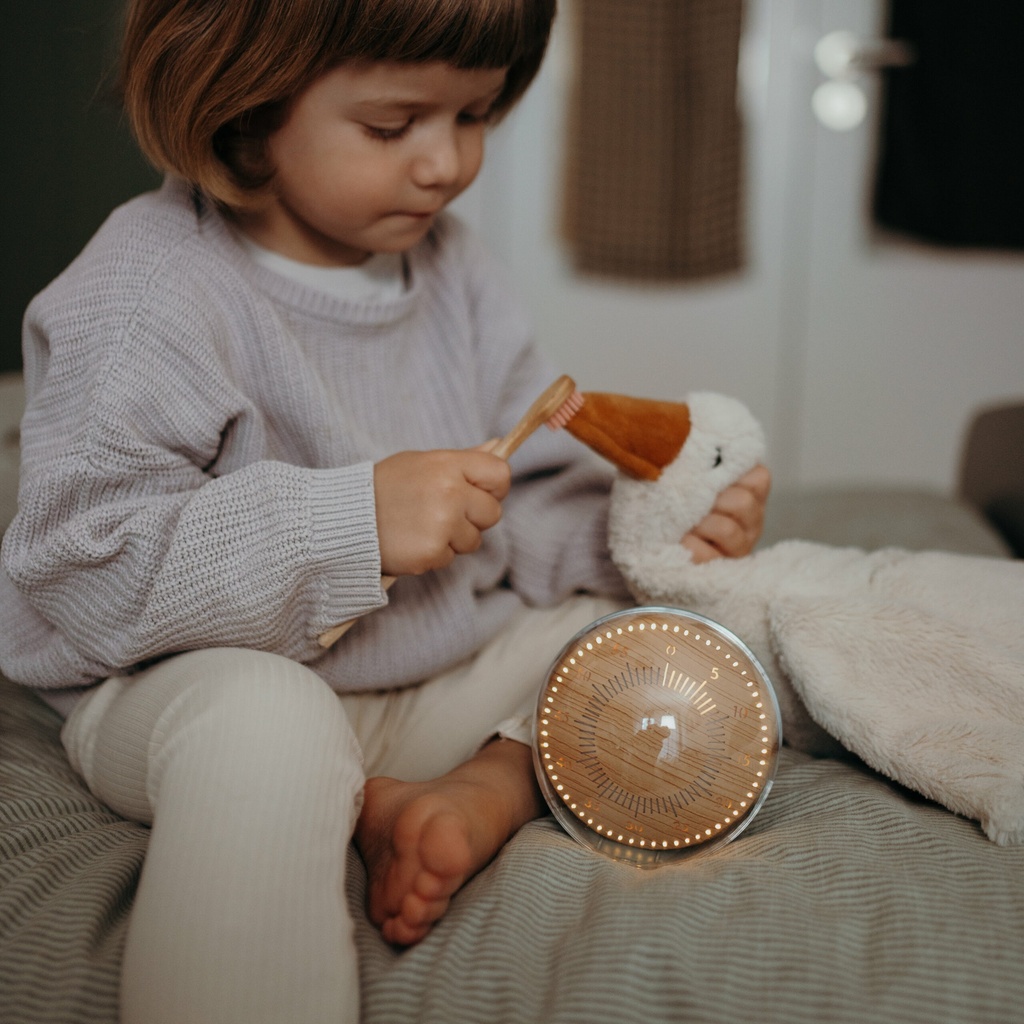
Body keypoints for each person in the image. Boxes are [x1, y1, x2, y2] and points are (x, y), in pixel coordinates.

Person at [0, 1, 771, 1021]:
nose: (444, 165)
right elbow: (80, 569)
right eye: (392, 125)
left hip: (423, 681)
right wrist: (349, 522)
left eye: (474, 116)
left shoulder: (455, 273)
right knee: (265, 725)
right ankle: (387, 796)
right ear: (245, 93)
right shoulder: (148, 286)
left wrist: (630, 536)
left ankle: (459, 792)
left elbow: (523, 502)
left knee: (673, 633)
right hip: (186, 692)